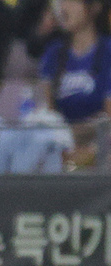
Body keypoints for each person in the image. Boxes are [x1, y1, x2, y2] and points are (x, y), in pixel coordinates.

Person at [37, 0, 111, 168]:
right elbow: (46, 115)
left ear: (94, 7)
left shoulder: (108, 52)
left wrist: (72, 136)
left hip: (100, 153)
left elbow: (108, 121)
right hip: (60, 152)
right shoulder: (53, 54)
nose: (63, 7)